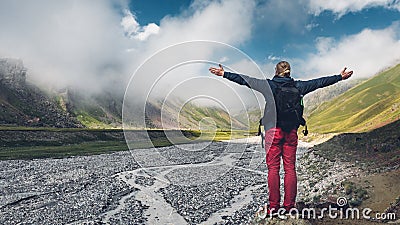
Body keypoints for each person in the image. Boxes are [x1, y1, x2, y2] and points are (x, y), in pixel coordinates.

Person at [209, 61, 353, 214]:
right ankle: (289, 206)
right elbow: (319, 82)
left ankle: (273, 207)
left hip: (273, 132)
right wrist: (339, 77)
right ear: (289, 72)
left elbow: (246, 80)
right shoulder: (299, 86)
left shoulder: (269, 86)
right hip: (291, 132)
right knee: (290, 169)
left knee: (273, 169)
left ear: (275, 72)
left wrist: (224, 74)